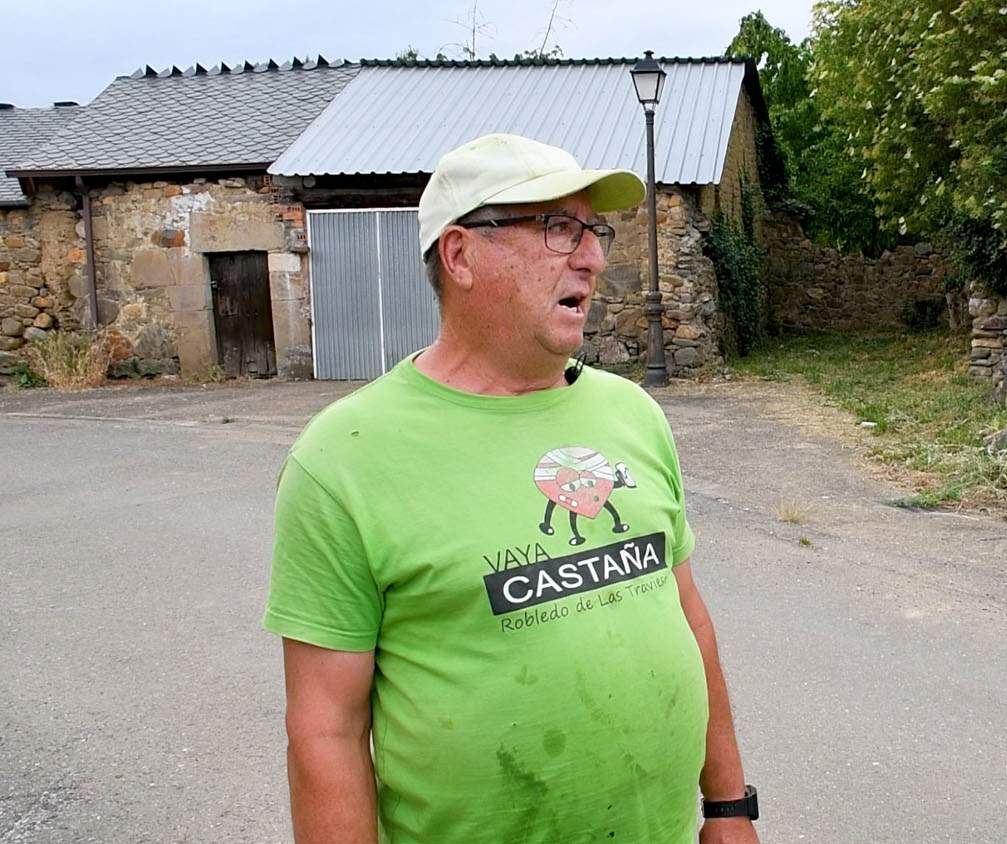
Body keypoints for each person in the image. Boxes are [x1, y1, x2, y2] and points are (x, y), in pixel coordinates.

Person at [263, 134, 760, 844]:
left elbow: (689, 616)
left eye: (595, 230)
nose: (591, 256)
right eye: (558, 227)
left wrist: (728, 807)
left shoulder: (633, 415)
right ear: (461, 255)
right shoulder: (343, 459)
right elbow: (325, 729)